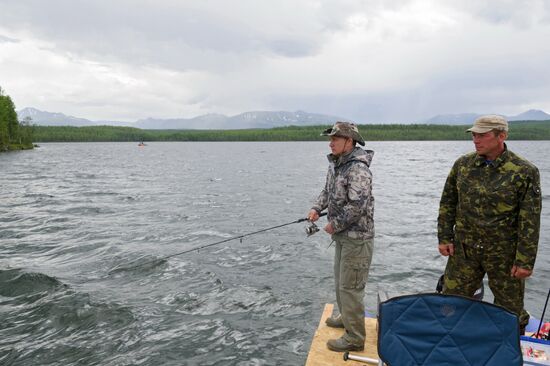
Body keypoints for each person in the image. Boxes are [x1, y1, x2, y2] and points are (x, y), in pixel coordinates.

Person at [438, 115, 542, 333]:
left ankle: (511, 353)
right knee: (449, 304)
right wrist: (444, 237)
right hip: (464, 251)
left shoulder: (524, 171)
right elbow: (448, 201)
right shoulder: (463, 165)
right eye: (474, 135)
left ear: (501, 136)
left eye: (482, 135)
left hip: (504, 255)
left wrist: (525, 261)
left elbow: (529, 219)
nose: (476, 140)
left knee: (510, 311)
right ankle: (448, 347)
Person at [307, 121, 375, 352]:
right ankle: (346, 318)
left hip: (357, 239)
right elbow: (327, 191)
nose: (330, 143)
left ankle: (355, 338)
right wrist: (317, 208)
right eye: (331, 139)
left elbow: (358, 206)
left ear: (349, 141)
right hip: (342, 237)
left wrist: (333, 225)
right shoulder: (336, 164)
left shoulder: (358, 169)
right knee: (340, 283)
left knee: (351, 288)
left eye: (335, 139)